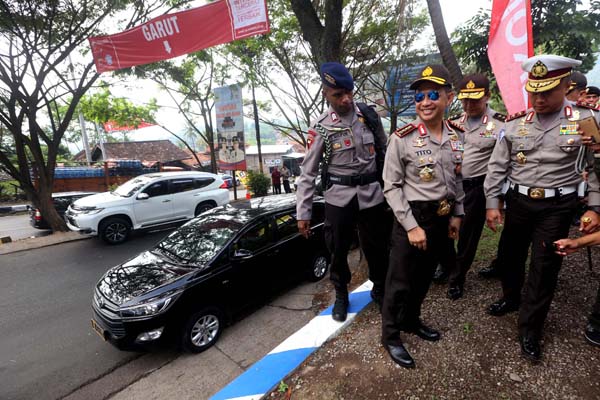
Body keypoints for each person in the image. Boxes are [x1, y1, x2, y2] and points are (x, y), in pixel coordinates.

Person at [484, 54, 600, 362]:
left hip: (557, 205)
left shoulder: (586, 120)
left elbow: (596, 168)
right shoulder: (515, 124)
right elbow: (497, 167)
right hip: (519, 202)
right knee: (509, 255)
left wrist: (596, 208)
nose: (539, 98)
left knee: (544, 265)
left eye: (547, 90)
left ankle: (530, 328)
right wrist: (493, 202)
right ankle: (510, 297)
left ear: (565, 86)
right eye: (534, 91)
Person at [381, 64, 464, 368]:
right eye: (419, 97)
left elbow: (457, 180)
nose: (425, 102)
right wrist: (411, 226)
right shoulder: (401, 138)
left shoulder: (457, 135)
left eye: (432, 94)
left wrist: (457, 213)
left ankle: (411, 320)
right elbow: (390, 187)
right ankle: (390, 335)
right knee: (399, 281)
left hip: (442, 216)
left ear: (448, 97)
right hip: (411, 218)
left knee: (425, 276)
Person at [295, 62, 389, 323]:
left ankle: (379, 289)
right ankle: (341, 295)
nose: (346, 99)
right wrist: (302, 212)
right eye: (338, 95)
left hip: (372, 194)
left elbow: (387, 152)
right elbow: (308, 172)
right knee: (337, 250)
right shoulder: (321, 127)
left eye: (349, 92)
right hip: (339, 198)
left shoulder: (369, 117)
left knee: (377, 247)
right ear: (325, 93)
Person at [445, 73, 506, 300]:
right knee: (446, 230)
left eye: (475, 99)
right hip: (453, 187)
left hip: (478, 187)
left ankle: (457, 278)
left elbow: (501, 164)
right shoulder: (454, 123)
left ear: (487, 96)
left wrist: (496, 199)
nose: (469, 105)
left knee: (467, 236)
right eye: (465, 100)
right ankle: (448, 266)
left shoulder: (500, 124)